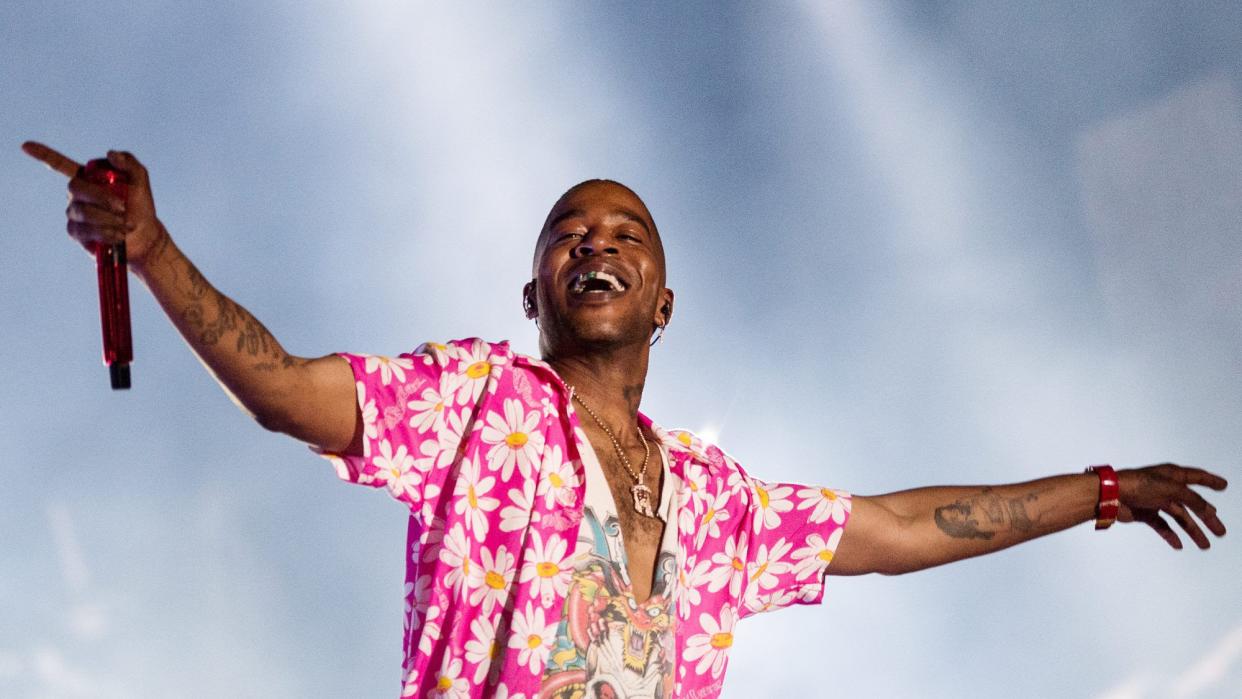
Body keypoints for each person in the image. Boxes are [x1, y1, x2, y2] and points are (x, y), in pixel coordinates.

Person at [24, 142, 1228, 699]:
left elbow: (908, 526)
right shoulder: (476, 403)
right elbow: (283, 389)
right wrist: (154, 248)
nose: (594, 243)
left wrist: (1104, 493)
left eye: (624, 236)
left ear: (663, 301)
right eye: (568, 234)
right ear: (534, 291)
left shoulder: (715, 503)